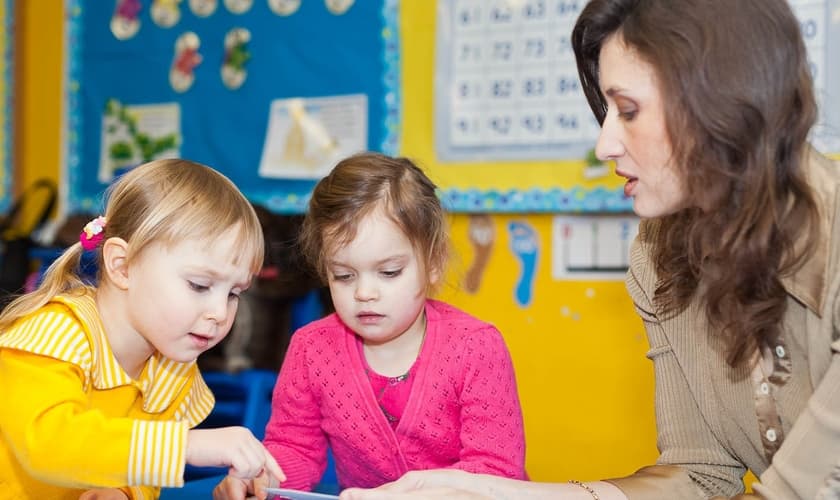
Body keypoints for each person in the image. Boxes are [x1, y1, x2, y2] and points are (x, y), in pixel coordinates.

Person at [338, 0, 840, 499]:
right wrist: (496, 494)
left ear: (722, 100)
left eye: (628, 110)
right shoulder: (660, 253)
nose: (605, 145)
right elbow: (700, 472)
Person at [213, 152, 527, 499]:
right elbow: (295, 449)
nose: (364, 293)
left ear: (433, 263)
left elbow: (495, 473)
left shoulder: (476, 347)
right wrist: (261, 479)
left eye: (389, 272)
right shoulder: (310, 349)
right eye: (344, 275)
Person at [0, 159, 285, 499]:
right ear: (123, 266)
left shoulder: (172, 367)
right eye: (198, 285)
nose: (220, 313)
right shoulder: (52, 333)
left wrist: (121, 492)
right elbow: (47, 445)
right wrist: (185, 446)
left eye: (235, 293)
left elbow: (142, 472)